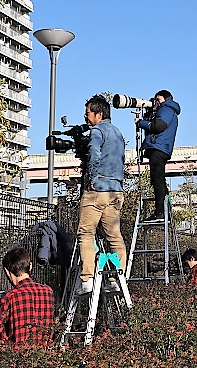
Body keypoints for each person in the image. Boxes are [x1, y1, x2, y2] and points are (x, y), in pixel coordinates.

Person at [76, 95, 127, 295]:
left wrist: (91, 180)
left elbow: (95, 155)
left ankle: (87, 278)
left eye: (88, 112)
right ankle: (116, 277)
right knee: (114, 236)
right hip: (115, 190)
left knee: (86, 233)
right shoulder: (118, 133)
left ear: (98, 114)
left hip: (97, 190)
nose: (85, 116)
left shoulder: (97, 131)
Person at [0, 247, 55, 344]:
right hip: (45, 354)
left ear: (7, 271)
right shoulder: (48, 291)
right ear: (30, 266)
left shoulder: (10, 297)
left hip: (18, 356)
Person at [134, 89, 181, 223]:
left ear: (165, 99)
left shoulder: (167, 109)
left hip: (158, 148)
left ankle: (160, 212)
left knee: (157, 180)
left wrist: (140, 122)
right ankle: (166, 211)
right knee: (159, 179)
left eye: (158, 100)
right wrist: (149, 115)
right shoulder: (167, 110)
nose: (156, 103)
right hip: (160, 148)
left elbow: (158, 126)